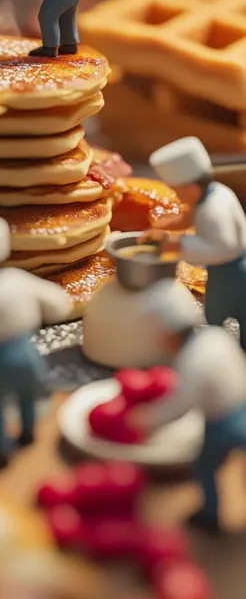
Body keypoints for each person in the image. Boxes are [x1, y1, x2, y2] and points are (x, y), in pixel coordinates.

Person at [0, 213, 75, 468]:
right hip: (29, 353)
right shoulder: (18, 278)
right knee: (27, 395)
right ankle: (27, 433)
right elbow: (60, 303)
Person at [129, 279, 246, 532]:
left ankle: (210, 517)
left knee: (205, 465)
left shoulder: (192, 359)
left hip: (224, 422)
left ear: (169, 332)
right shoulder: (216, 336)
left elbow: (181, 404)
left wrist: (149, 420)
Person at [147, 136, 246, 347]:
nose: (175, 195)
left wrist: (177, 244)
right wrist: (162, 227)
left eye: (176, 190)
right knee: (222, 310)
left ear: (191, 188)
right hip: (227, 268)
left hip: (233, 269)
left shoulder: (214, 209)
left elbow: (224, 247)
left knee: (222, 311)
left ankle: (223, 355)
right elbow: (189, 216)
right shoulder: (214, 193)